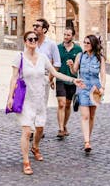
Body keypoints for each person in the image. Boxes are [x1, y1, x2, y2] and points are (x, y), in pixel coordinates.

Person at [6, 31, 83, 175]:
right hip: (25, 99)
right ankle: (26, 162)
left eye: (35, 39)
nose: (33, 41)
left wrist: (73, 79)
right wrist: (10, 97)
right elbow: (14, 78)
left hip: (39, 98)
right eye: (30, 39)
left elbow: (55, 73)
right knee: (27, 130)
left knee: (40, 129)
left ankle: (35, 147)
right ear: (25, 41)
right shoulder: (19, 57)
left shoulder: (42, 58)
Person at [68, 34, 106, 153]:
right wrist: (70, 66)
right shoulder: (80, 56)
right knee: (85, 115)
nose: (85, 45)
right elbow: (74, 72)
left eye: (87, 43)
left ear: (93, 44)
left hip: (95, 89)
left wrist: (103, 88)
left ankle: (88, 137)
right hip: (83, 88)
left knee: (92, 116)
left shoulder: (100, 58)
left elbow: (103, 74)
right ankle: (87, 142)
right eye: (84, 42)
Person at [32, 18, 61, 139]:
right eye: (34, 25)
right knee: (31, 104)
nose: (34, 28)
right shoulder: (30, 41)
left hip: (44, 77)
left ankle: (39, 130)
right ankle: (33, 129)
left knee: (41, 105)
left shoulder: (51, 44)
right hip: (31, 78)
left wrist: (49, 79)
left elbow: (57, 63)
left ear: (44, 29)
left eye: (37, 26)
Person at [55, 27, 82, 140]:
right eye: (65, 34)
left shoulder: (78, 49)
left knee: (67, 104)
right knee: (61, 103)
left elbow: (80, 65)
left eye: (68, 35)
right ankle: (60, 128)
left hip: (72, 80)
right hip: (60, 79)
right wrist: (52, 78)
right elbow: (54, 64)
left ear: (73, 36)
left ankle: (65, 125)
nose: (66, 37)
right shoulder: (58, 48)